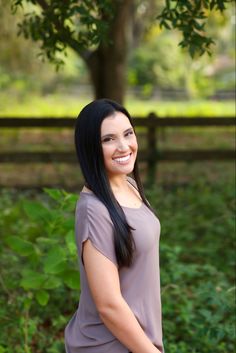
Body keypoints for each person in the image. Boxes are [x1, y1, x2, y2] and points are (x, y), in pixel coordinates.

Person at [64, 99, 164, 353]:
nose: (124, 146)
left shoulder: (128, 184)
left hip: (136, 341)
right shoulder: (94, 209)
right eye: (108, 139)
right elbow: (108, 305)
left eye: (128, 134)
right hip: (108, 346)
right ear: (90, 148)